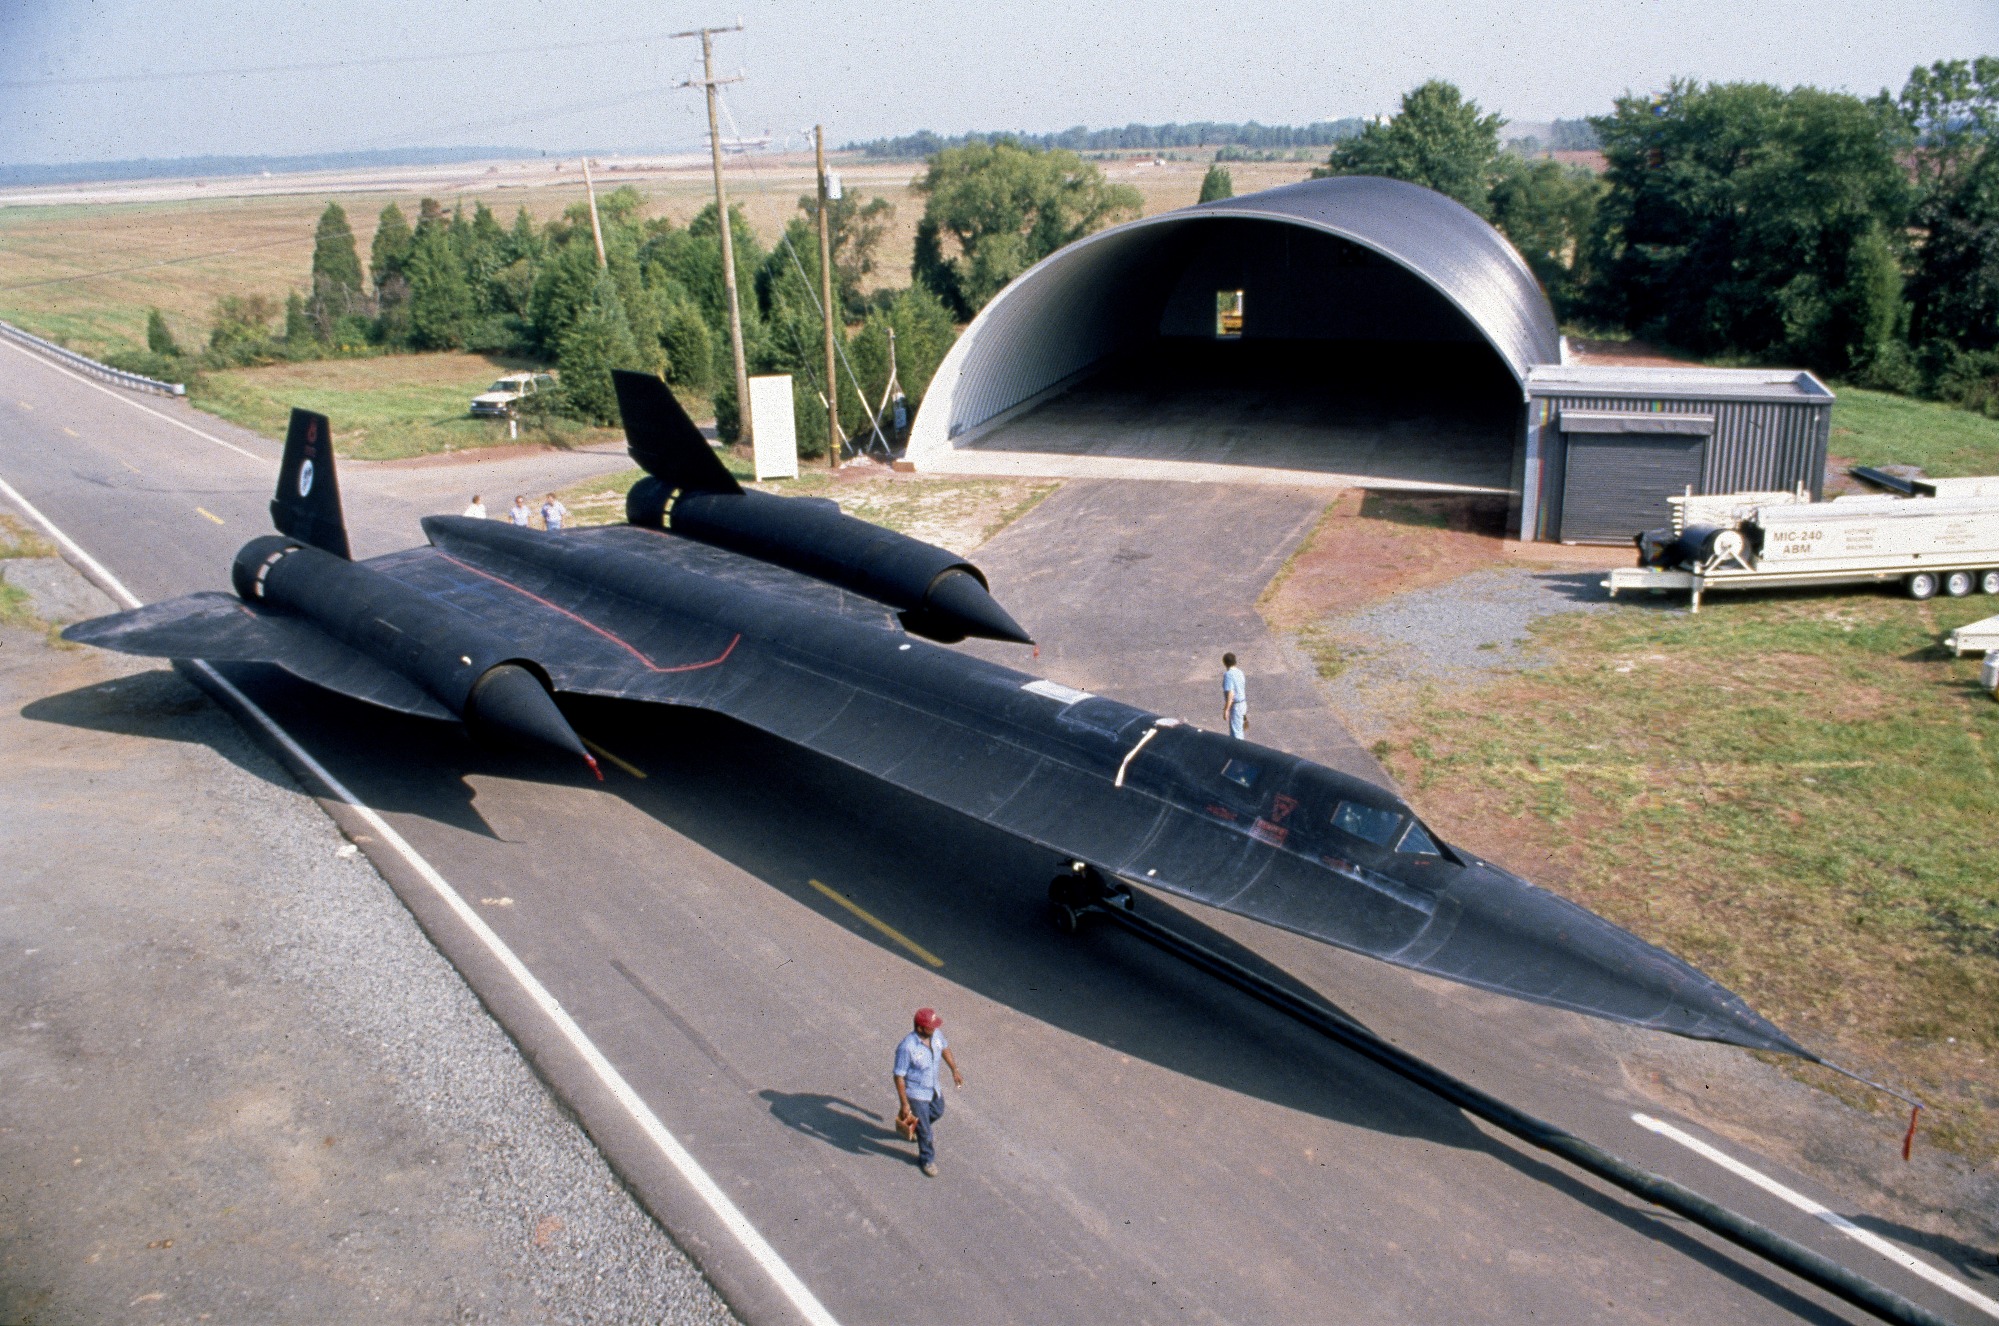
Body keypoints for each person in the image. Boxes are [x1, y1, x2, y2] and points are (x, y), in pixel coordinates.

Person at [893, 1007, 963, 1177]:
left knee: (938, 1110)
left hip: (933, 1088)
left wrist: (954, 1069)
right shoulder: (907, 1047)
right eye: (931, 1026)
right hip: (916, 1094)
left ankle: (917, 1125)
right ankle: (927, 1159)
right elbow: (899, 1076)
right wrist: (904, 1104)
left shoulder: (936, 1035)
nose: (935, 1028)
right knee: (926, 1132)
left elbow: (945, 1048)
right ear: (920, 1028)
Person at [1222, 651, 1248, 739]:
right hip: (1243, 704)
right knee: (1240, 729)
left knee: (1236, 733)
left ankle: (1239, 751)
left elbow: (1231, 694)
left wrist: (1226, 710)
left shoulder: (1228, 675)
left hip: (1236, 706)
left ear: (1225, 663)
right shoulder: (1240, 672)